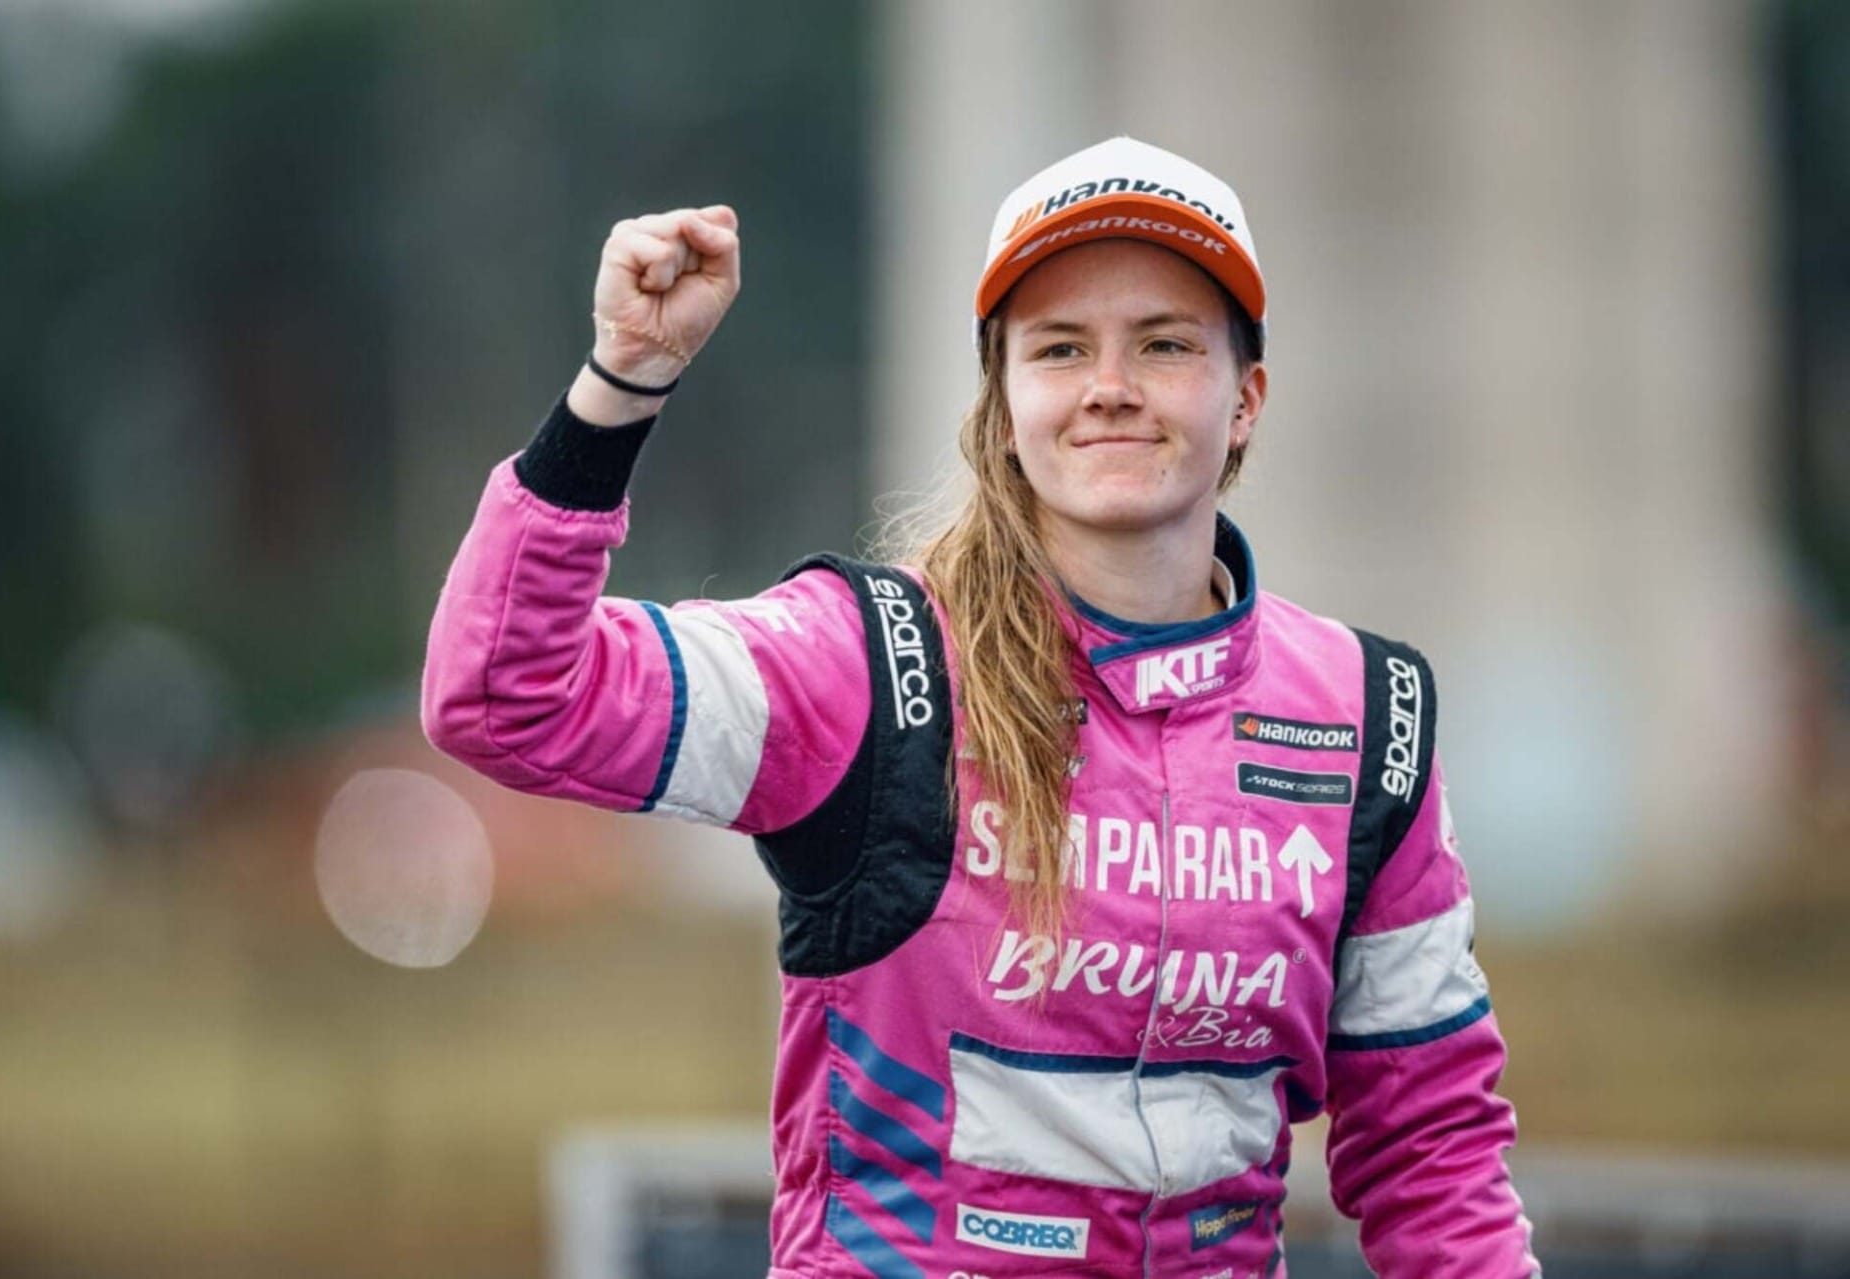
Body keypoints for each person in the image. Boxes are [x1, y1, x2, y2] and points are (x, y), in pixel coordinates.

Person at [422, 136, 1539, 1279]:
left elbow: (1434, 1156)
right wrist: (621, 384)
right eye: (1061, 348)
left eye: (1164, 343)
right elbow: (506, 693)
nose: (1111, 385)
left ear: (1245, 398)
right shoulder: (865, 666)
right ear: (1004, 407)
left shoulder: (1366, 717)